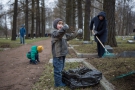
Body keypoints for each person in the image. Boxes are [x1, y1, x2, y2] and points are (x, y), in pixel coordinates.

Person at [51, 18, 82, 87]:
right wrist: (64, 28)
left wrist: (77, 32)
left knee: (61, 68)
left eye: (62, 24)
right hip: (57, 55)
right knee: (57, 70)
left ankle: (60, 81)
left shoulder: (63, 34)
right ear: (55, 25)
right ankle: (58, 84)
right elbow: (58, 34)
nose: (61, 25)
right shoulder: (54, 33)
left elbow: (71, 36)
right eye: (59, 24)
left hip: (63, 54)